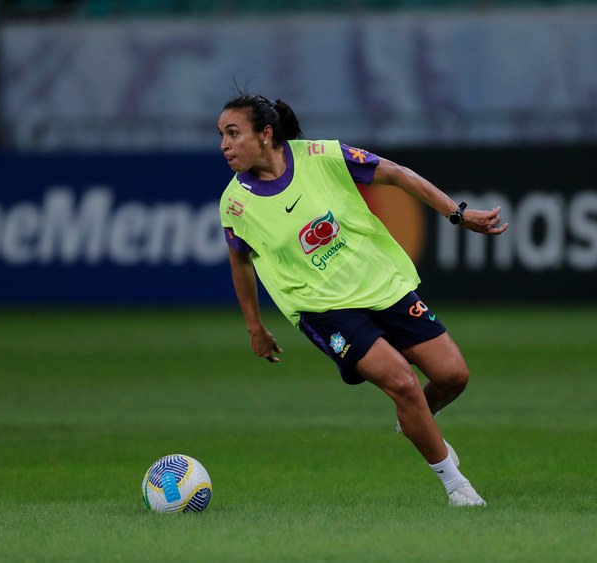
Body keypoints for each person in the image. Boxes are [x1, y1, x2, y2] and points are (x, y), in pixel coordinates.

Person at [217, 94, 508, 507]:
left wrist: (458, 214)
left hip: (380, 285)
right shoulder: (235, 202)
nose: (225, 145)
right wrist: (255, 326)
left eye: (233, 133)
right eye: (221, 136)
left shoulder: (323, 155)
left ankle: (416, 423)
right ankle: (456, 485)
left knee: (453, 376)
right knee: (403, 384)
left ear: (265, 135)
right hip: (323, 309)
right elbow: (240, 262)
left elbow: (399, 174)